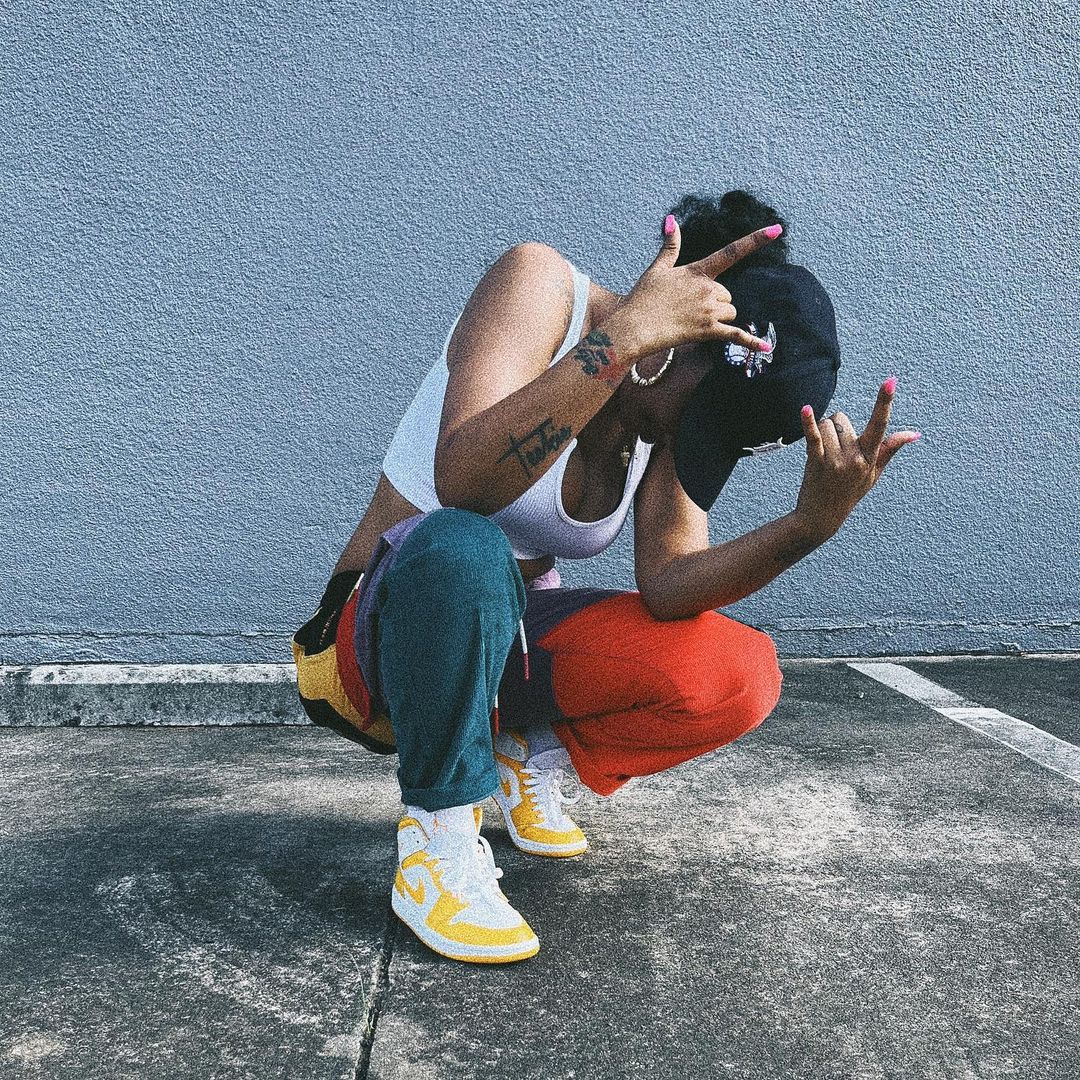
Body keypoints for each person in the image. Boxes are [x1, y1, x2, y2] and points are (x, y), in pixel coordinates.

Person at [291, 190, 921, 964]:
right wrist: (616, 343)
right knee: (464, 546)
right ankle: (439, 842)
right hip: (375, 650)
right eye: (699, 420)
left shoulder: (667, 406)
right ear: (681, 340)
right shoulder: (541, 287)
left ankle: (525, 753)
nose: (687, 440)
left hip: (503, 658)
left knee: (738, 671)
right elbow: (465, 480)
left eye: (716, 440)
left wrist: (805, 529)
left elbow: (671, 582)